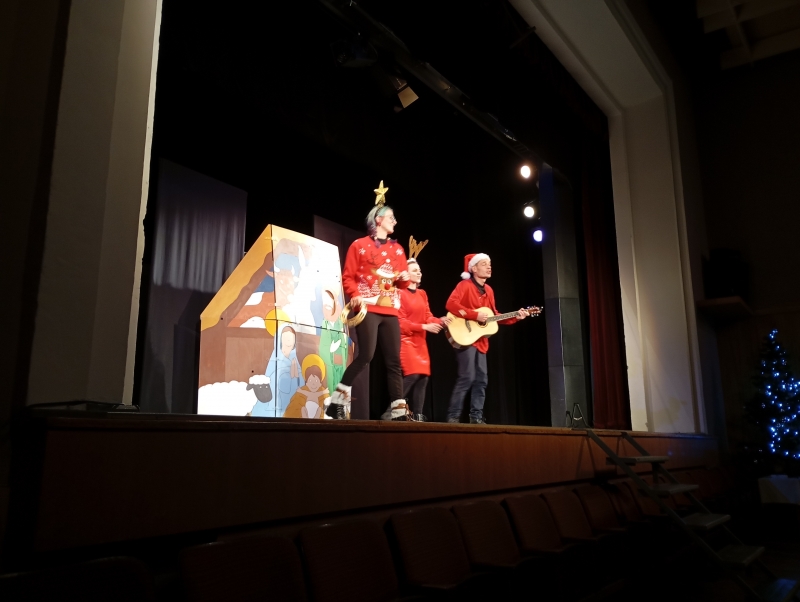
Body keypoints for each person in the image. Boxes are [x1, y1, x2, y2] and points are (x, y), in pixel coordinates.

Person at [326, 181, 412, 420]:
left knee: (394, 361)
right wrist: (355, 296)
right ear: (378, 220)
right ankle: (336, 403)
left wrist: (404, 279)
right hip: (368, 308)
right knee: (366, 356)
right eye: (391, 218)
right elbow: (348, 276)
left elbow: (402, 283)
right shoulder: (359, 245)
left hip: (390, 310)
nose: (395, 221)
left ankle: (398, 410)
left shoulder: (398, 250)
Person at [445, 253, 529, 424]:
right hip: (465, 336)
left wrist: (516, 316)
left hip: (480, 341)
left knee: (481, 379)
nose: (489, 267)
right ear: (474, 268)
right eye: (484, 264)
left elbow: (493, 316)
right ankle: (453, 417)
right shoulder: (464, 285)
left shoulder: (489, 290)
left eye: (489, 264)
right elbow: (451, 304)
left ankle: (476, 417)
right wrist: (474, 315)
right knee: (467, 377)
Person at [397, 254, 450, 422]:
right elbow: (400, 323)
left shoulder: (422, 294)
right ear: (406, 273)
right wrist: (424, 327)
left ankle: (418, 415)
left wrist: (440, 321)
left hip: (420, 342)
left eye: (419, 270)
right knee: (412, 375)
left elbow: (428, 316)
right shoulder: (399, 293)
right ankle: (393, 410)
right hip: (406, 340)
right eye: (414, 270)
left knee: (423, 378)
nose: (419, 272)